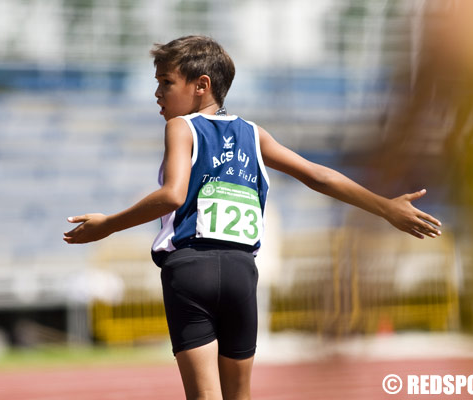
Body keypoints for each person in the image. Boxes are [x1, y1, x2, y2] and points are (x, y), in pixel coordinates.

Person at [63, 35, 442, 400]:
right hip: (241, 272)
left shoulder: (180, 127)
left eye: (166, 82)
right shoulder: (254, 134)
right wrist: (386, 206)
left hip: (190, 269)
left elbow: (173, 195)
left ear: (202, 85)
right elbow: (318, 175)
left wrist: (108, 224)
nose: (157, 93)